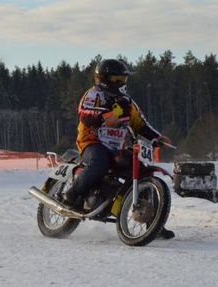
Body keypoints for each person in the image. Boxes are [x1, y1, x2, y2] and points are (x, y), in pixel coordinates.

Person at [64, 59, 175, 239]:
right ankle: (73, 194)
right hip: (91, 142)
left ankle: (153, 222)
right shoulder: (94, 94)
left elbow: (141, 124)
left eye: (124, 80)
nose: (122, 84)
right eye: (117, 80)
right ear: (104, 79)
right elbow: (84, 112)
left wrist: (157, 137)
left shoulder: (127, 103)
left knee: (142, 172)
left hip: (116, 148)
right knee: (98, 164)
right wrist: (103, 115)